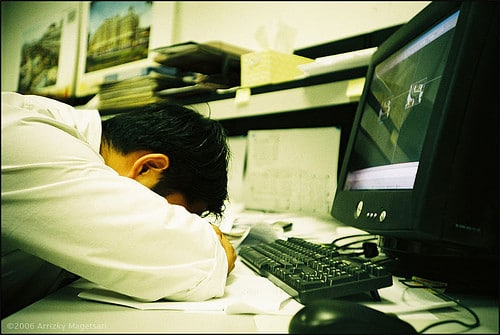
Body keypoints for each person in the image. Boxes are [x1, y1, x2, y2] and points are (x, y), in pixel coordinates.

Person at [1, 91, 236, 317]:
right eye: (175, 211)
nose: (172, 217)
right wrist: (213, 249)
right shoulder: (26, 137)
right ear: (147, 167)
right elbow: (191, 257)